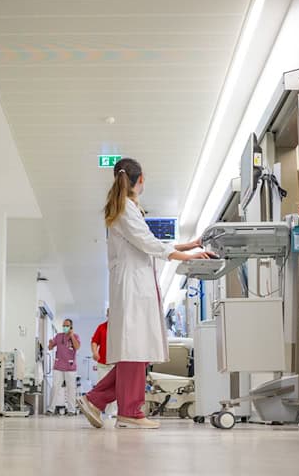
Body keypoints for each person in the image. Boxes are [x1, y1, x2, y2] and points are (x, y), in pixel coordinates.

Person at [77, 157, 215, 429]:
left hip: (133, 285)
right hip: (133, 287)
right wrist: (185, 256)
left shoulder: (126, 208)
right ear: (139, 180)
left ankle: (96, 400)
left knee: (136, 348)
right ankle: (129, 411)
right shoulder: (127, 208)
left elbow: (148, 241)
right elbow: (147, 243)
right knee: (135, 348)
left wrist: (187, 247)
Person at [48, 318, 80, 415]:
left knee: (71, 389)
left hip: (70, 367)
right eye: (64, 325)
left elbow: (77, 347)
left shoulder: (75, 336)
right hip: (58, 366)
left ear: (71, 327)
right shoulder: (58, 336)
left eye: (67, 326)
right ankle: (51, 409)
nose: (65, 327)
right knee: (55, 388)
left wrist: (71, 336)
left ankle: (71, 410)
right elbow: (50, 347)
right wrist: (50, 343)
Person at [90, 311, 117, 418]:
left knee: (115, 388)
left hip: (115, 363)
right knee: (103, 386)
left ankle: (112, 412)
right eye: (110, 313)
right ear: (107, 315)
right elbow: (94, 341)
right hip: (103, 364)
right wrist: (95, 352)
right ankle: (99, 409)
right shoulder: (102, 327)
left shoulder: (120, 328)